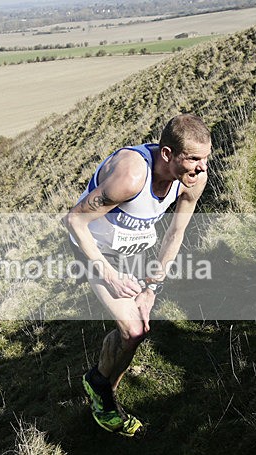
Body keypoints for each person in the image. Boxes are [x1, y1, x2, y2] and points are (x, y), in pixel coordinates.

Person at [62, 113, 211, 437]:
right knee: (132, 329)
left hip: (132, 248)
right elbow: (74, 220)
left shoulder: (193, 179)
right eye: (194, 159)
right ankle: (104, 396)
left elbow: (176, 232)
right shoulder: (131, 177)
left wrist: (152, 287)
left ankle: (102, 388)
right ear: (168, 155)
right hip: (95, 249)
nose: (202, 168)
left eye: (206, 158)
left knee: (139, 331)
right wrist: (110, 275)